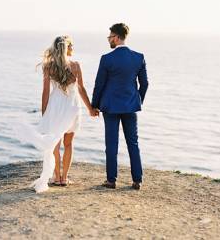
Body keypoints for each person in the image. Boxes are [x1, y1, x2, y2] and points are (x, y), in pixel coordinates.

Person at [22, 35, 98, 193]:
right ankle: (64, 178)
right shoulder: (76, 66)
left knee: (55, 143)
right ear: (67, 48)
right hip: (72, 107)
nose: (73, 49)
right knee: (69, 143)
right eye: (72, 46)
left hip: (55, 108)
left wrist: (45, 113)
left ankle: (56, 177)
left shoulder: (48, 66)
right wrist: (90, 108)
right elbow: (81, 89)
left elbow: (45, 92)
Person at [91, 23, 149, 190]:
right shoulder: (138, 57)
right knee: (133, 143)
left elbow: (99, 84)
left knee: (111, 144)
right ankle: (137, 180)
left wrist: (94, 105)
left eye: (110, 37)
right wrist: (137, 100)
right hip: (130, 106)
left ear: (116, 37)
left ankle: (111, 180)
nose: (109, 40)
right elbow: (144, 84)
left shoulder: (107, 59)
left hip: (110, 107)